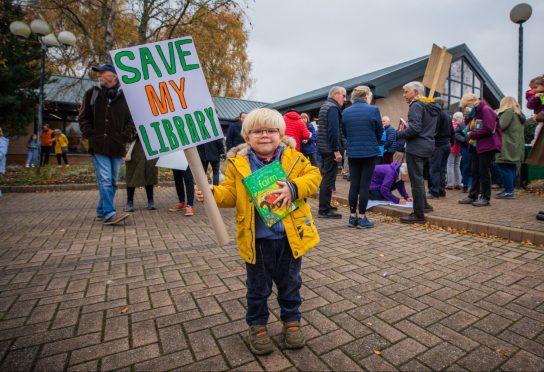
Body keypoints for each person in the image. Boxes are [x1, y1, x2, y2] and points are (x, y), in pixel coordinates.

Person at [195, 108, 321, 355]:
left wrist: (294, 188)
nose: (265, 135)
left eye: (271, 131)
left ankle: (292, 321)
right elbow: (231, 193)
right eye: (257, 131)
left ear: (281, 134)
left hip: (290, 238)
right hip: (257, 241)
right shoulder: (238, 163)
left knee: (291, 284)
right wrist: (213, 194)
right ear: (247, 136)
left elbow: (314, 177)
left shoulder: (294, 158)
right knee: (257, 288)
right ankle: (258, 325)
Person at [79, 63, 132, 225]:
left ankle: (101, 210)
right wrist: (91, 134)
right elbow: (83, 118)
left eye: (102, 73)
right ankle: (110, 214)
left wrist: (125, 136)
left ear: (114, 76)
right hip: (99, 145)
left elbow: (132, 121)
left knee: (113, 182)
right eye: (98, 73)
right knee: (105, 179)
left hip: (117, 146)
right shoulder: (91, 94)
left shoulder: (126, 96)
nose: (99, 75)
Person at [396, 81, 440, 224]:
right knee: (420, 179)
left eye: (406, 92)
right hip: (427, 146)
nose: (404, 95)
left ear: (416, 92)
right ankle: (425, 205)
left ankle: (418, 214)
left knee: (416, 181)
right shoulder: (432, 106)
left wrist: (399, 134)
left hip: (416, 147)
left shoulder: (416, 105)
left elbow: (415, 129)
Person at [341, 86, 383, 228]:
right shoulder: (373, 109)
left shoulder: (346, 111)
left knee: (354, 185)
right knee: (365, 185)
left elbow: (345, 133)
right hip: (369, 152)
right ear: (366, 96)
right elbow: (379, 130)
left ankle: (352, 217)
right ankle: (362, 218)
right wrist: (374, 141)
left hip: (353, 152)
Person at [458, 93, 502, 207]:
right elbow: (473, 126)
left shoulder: (486, 110)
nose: (466, 108)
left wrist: (472, 134)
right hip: (476, 145)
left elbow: (488, 128)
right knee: (475, 171)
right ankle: (473, 195)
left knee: (484, 171)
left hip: (486, 145)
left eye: (466, 105)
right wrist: (468, 119)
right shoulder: (475, 112)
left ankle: (485, 197)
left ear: (473, 101)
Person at [316, 86, 346, 218]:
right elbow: (333, 131)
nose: (345, 99)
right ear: (335, 94)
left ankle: (326, 205)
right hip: (330, 149)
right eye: (343, 96)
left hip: (324, 148)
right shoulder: (333, 108)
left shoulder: (325, 106)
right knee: (328, 179)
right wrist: (336, 151)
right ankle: (324, 209)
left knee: (327, 178)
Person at [494, 97, 525, 199]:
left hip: (506, 145)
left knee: (504, 166)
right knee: (510, 167)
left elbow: (501, 126)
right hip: (515, 145)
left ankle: (508, 191)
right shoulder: (518, 114)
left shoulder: (508, 112)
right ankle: (509, 189)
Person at [427, 97, 453, 198]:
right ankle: (441, 190)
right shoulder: (447, 115)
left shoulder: (437, 115)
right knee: (442, 169)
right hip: (447, 144)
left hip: (438, 145)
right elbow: (452, 132)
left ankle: (434, 191)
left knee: (434, 169)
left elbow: (434, 129)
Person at [124, 137, 159, 212]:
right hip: (135, 147)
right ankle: (129, 202)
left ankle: (150, 200)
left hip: (150, 145)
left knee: (150, 173)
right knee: (132, 173)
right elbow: (126, 132)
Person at [446, 112, 465, 190]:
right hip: (460, 148)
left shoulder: (452, 125)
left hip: (452, 147)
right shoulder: (463, 126)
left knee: (450, 165)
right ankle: (458, 183)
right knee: (457, 165)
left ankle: (450, 183)